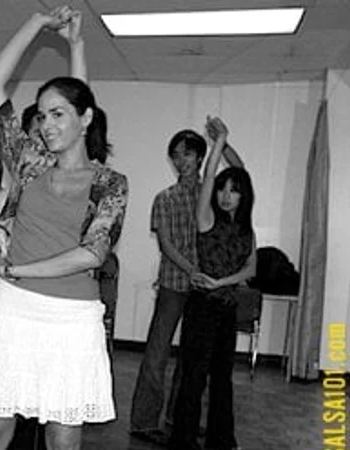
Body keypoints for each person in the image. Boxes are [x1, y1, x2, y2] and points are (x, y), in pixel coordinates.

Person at [0, 6, 128, 450]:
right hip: (14, 311)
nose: (47, 125)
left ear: (85, 119)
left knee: (61, 436)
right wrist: (37, 23)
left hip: (71, 319)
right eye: (43, 115)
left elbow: (92, 253)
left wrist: (14, 270)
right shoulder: (28, 163)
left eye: (59, 115)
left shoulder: (109, 183)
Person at [129, 128, 244, 446]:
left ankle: (176, 419)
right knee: (157, 353)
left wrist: (222, 139)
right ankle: (144, 422)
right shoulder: (164, 198)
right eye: (176, 155)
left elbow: (240, 170)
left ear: (200, 156)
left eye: (188, 153)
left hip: (204, 290)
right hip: (174, 284)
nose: (181, 161)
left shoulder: (212, 195)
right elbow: (166, 245)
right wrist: (193, 270)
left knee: (191, 360)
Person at [170, 117, 256, 450]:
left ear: (242, 195)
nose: (225, 195)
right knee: (193, 377)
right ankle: (183, 441)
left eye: (234, 191)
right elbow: (208, 178)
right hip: (203, 306)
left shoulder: (247, 229)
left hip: (227, 307)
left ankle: (221, 440)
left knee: (222, 378)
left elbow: (251, 267)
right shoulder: (206, 220)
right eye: (223, 188)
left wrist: (223, 280)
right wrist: (219, 141)